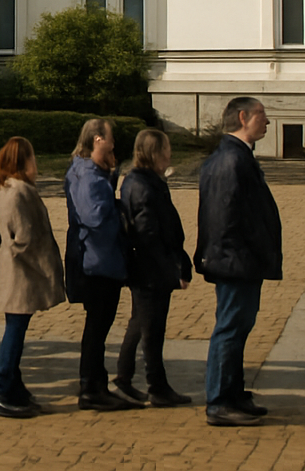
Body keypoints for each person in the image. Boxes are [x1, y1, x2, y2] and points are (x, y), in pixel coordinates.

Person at [196, 96, 282, 426]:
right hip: (235, 260)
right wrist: (243, 254)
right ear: (243, 117)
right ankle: (219, 400)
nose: (267, 121)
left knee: (238, 328)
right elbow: (223, 218)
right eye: (262, 114)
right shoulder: (230, 160)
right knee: (229, 329)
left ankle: (233, 393)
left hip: (241, 259)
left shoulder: (237, 157)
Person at [115, 128, 193, 406]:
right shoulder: (143, 185)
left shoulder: (147, 181)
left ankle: (125, 378)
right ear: (154, 153)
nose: (169, 156)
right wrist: (171, 267)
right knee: (151, 329)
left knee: (140, 323)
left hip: (150, 265)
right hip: (149, 268)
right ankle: (155, 385)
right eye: (165, 151)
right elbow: (148, 233)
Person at [0, 136, 65, 420]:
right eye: (32, 158)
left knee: (17, 329)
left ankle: (14, 387)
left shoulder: (11, 188)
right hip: (21, 272)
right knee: (15, 331)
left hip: (20, 270)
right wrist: (41, 263)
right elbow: (21, 237)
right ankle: (5, 391)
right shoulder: (17, 191)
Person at [64, 118, 135, 411]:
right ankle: (91, 387)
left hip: (99, 258)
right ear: (97, 140)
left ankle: (95, 383)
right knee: (97, 327)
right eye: (110, 137)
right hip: (97, 260)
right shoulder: (88, 175)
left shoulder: (90, 172)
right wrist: (122, 214)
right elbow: (93, 216)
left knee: (98, 327)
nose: (113, 142)